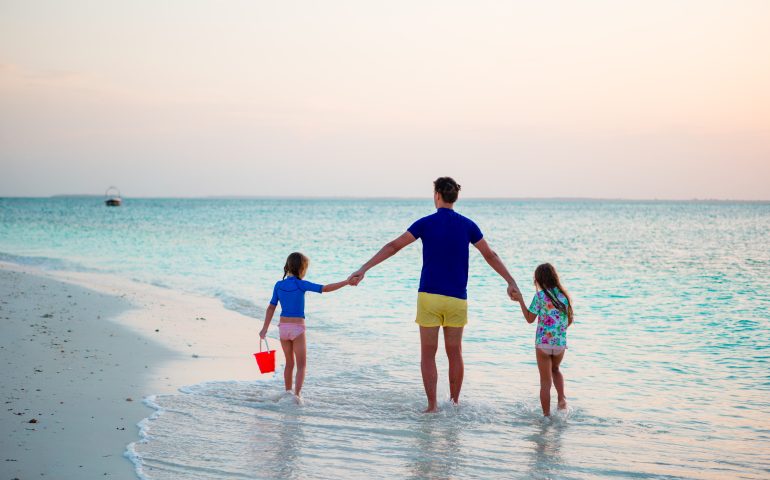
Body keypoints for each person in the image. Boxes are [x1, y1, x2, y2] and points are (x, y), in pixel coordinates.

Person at [348, 177, 520, 413]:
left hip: (429, 296)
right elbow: (490, 255)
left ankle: (432, 407)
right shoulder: (468, 225)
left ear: (437, 195)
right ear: (454, 197)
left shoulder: (425, 223)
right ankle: (454, 404)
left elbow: (393, 246)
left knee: (428, 354)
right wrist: (511, 281)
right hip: (457, 298)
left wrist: (363, 268)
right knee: (455, 353)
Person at [259, 252, 351, 401]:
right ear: (302, 268)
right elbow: (325, 288)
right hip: (297, 329)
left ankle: (287, 392)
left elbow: (271, 307)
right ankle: (297, 396)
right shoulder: (301, 284)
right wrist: (346, 282)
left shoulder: (279, 285)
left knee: (289, 363)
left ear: (288, 266)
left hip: (283, 328)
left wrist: (264, 329)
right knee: (301, 366)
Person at [512, 263, 574, 417]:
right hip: (559, 344)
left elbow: (529, 319)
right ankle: (561, 399)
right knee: (556, 370)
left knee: (545, 383)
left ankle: (546, 417)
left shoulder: (539, 297)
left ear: (538, 280)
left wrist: (520, 300)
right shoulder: (564, 296)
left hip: (543, 344)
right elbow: (569, 320)